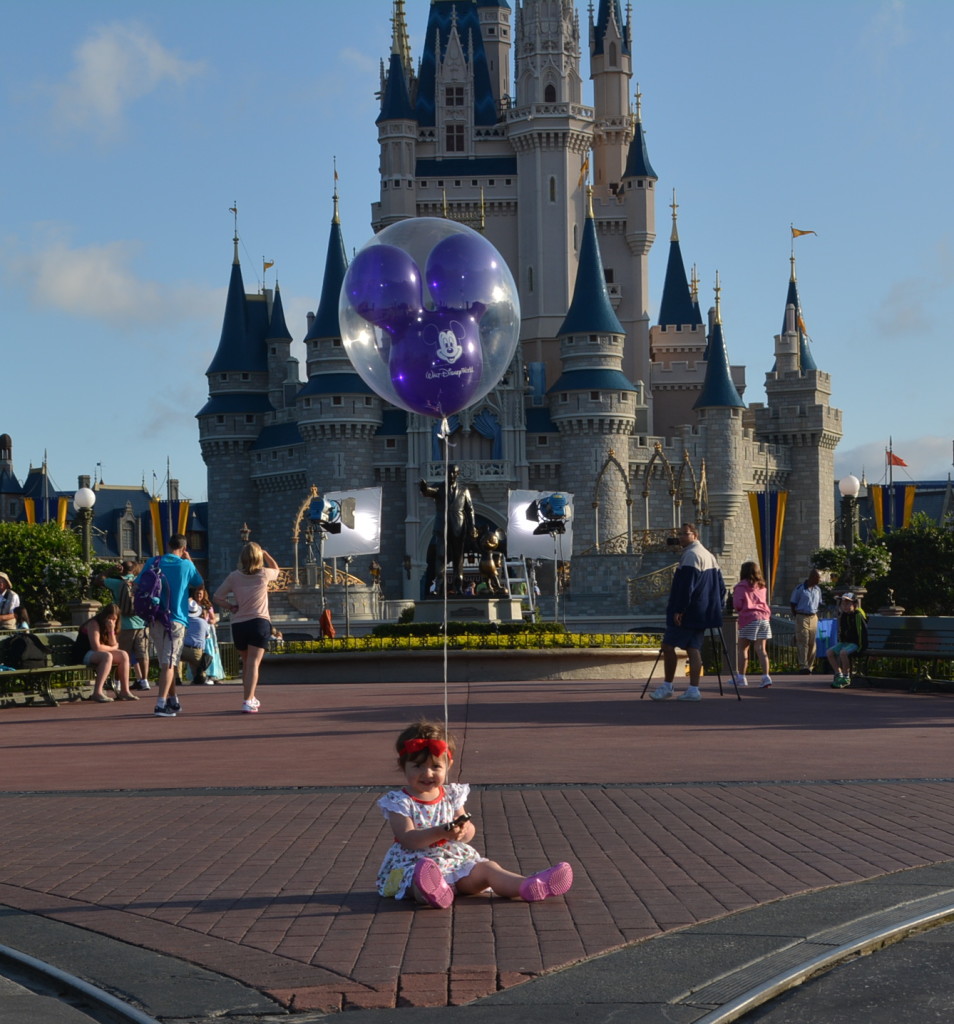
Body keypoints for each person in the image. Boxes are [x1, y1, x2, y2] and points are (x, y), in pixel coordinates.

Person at [376, 719, 573, 908]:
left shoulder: (451, 795)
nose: (428, 774)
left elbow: (468, 832)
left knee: (488, 868)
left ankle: (526, 885)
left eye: (436, 766)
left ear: (448, 766)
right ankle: (433, 893)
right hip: (415, 863)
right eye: (418, 766)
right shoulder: (399, 801)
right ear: (403, 765)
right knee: (416, 880)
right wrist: (441, 832)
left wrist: (463, 830)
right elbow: (408, 839)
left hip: (453, 862)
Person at [650, 523, 726, 702]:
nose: (681, 538)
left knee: (668, 646)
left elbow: (686, 587)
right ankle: (693, 689)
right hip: (704, 611)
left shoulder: (691, 555)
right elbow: (721, 587)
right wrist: (717, 607)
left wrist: (679, 609)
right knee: (693, 648)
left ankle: (667, 686)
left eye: (685, 534)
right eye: (680, 534)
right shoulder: (709, 556)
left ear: (695, 535)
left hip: (689, 611)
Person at [140, 534, 203, 718]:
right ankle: (160, 705)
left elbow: (138, 585)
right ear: (184, 549)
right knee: (168, 663)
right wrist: (189, 561)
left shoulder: (153, 562)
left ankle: (173, 700)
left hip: (155, 618)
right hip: (176, 618)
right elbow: (199, 584)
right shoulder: (186, 565)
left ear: (168, 545)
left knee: (166, 663)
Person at [214, 541, 279, 714]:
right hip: (258, 621)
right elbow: (277, 571)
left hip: (239, 624)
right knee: (253, 665)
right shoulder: (264, 574)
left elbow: (217, 597)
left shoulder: (234, 576)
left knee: (247, 663)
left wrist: (231, 607)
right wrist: (266, 555)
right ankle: (248, 700)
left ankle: (250, 697)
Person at [419, 465, 478, 596]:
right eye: (449, 473)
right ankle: (438, 586)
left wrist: (472, 527)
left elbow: (470, 509)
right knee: (440, 555)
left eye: (454, 473)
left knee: (458, 559)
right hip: (442, 526)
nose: (451, 475)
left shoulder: (464, 490)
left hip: (458, 526)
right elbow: (429, 491)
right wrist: (424, 487)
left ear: (458, 474)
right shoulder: (439, 487)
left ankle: (458, 587)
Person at [72, 604, 136, 703]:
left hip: (97, 653)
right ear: (104, 616)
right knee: (107, 656)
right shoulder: (94, 623)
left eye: (114, 619)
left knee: (123, 655)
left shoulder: (111, 626)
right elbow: (96, 647)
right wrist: (113, 648)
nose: (111, 621)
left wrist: (111, 630)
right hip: (83, 654)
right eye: (109, 618)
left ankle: (124, 691)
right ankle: (97, 692)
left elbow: (113, 644)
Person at [104, 561, 150, 690]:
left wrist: (111, 570)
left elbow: (99, 580)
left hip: (124, 624)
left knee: (123, 655)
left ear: (122, 569)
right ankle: (144, 680)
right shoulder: (141, 582)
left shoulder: (117, 583)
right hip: (141, 623)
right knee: (143, 654)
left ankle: (118, 682)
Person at [732, 561, 773, 689]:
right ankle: (766, 677)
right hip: (764, 618)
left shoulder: (741, 587)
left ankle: (741, 678)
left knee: (743, 648)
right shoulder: (762, 586)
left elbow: (737, 605)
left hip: (749, 618)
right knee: (761, 649)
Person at [827, 592, 868, 688]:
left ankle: (846, 677)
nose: (845, 606)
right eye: (843, 604)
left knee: (843, 653)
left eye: (847, 604)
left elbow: (862, 632)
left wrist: (861, 647)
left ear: (854, 604)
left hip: (855, 643)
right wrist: (841, 640)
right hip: (845, 642)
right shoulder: (843, 615)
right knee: (829, 652)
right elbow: (842, 631)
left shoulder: (858, 615)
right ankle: (839, 674)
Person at [790, 569, 823, 673]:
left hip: (813, 616)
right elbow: (793, 603)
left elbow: (820, 603)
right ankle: (803, 665)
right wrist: (797, 616)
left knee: (812, 642)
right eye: (818, 578)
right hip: (802, 616)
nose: (820, 580)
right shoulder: (800, 589)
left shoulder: (818, 589)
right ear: (812, 577)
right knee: (803, 640)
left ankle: (810, 665)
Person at [181, 590, 213, 685]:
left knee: (176, 660)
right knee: (199, 674)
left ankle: (176, 678)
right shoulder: (203, 622)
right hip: (196, 651)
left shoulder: (184, 621)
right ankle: (199, 678)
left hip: (183, 649)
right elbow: (207, 636)